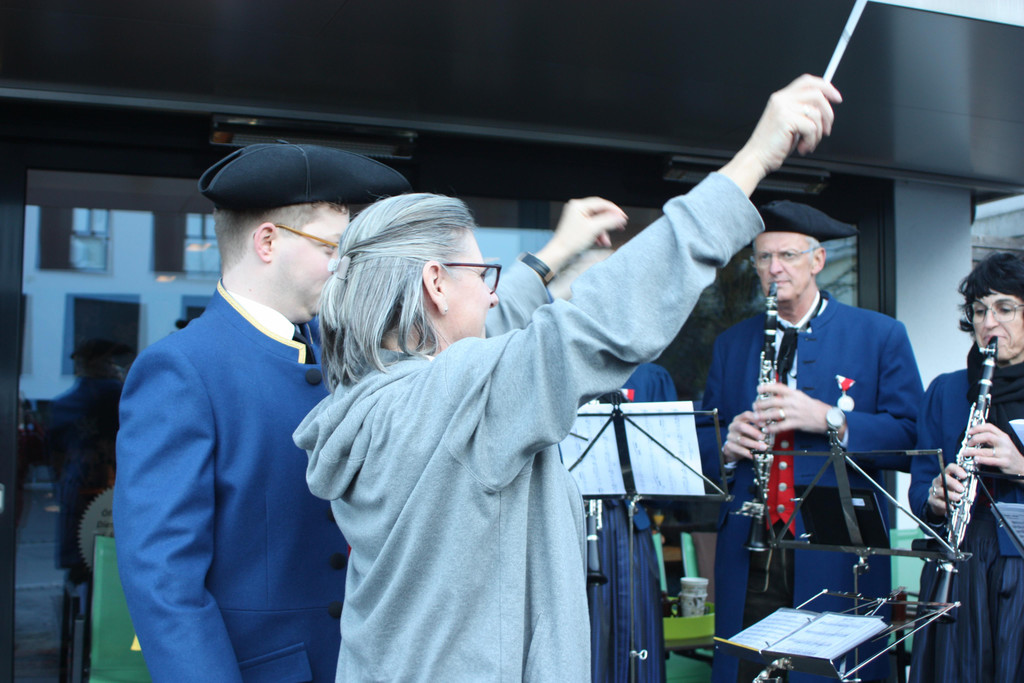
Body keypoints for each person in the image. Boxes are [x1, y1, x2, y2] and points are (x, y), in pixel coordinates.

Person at [293, 74, 843, 681]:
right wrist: (755, 158)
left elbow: (496, 338)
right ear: (435, 283)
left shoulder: (368, 401)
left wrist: (553, 252)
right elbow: (598, 322)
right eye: (482, 274)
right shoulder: (460, 396)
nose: (491, 293)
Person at [113, 143, 411, 681]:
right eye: (332, 248)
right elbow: (164, 583)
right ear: (268, 241)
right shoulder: (181, 369)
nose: (343, 268)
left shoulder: (335, 351)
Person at [698, 201, 923, 683]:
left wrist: (831, 419)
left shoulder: (880, 334)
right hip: (751, 544)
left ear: (818, 260)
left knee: (829, 674)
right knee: (747, 670)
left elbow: (911, 436)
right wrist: (725, 445)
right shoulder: (732, 343)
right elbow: (702, 442)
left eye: (787, 255)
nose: (773, 268)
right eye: (763, 257)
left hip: (835, 548)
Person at [908, 252, 1024, 683]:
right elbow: (920, 488)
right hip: (959, 565)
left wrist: (1021, 466)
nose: (989, 323)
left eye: (1005, 308)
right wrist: (935, 498)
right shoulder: (946, 390)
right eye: (979, 310)